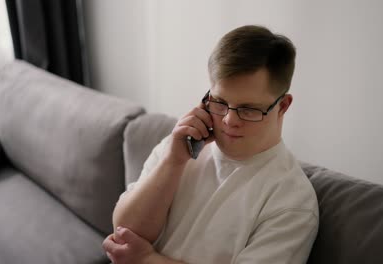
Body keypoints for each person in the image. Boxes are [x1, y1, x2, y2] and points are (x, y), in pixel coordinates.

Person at [102, 25, 319, 264]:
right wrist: (172, 161)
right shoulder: (180, 146)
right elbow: (124, 231)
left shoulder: (291, 201)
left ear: (283, 106)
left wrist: (146, 260)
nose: (229, 120)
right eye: (219, 102)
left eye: (248, 109)